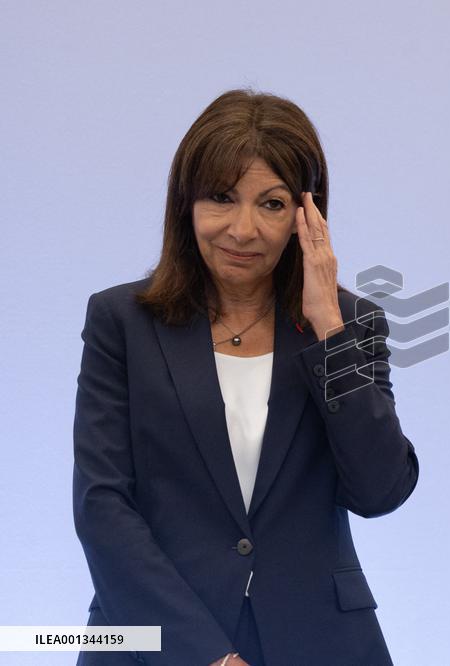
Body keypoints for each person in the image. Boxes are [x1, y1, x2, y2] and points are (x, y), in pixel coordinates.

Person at [73, 89, 418, 665]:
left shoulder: (352, 324)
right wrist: (202, 654)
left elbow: (380, 491)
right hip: (154, 638)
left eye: (273, 204)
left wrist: (328, 327)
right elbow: (102, 505)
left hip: (319, 641)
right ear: (185, 204)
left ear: (308, 214)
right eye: (221, 198)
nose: (243, 229)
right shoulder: (121, 322)